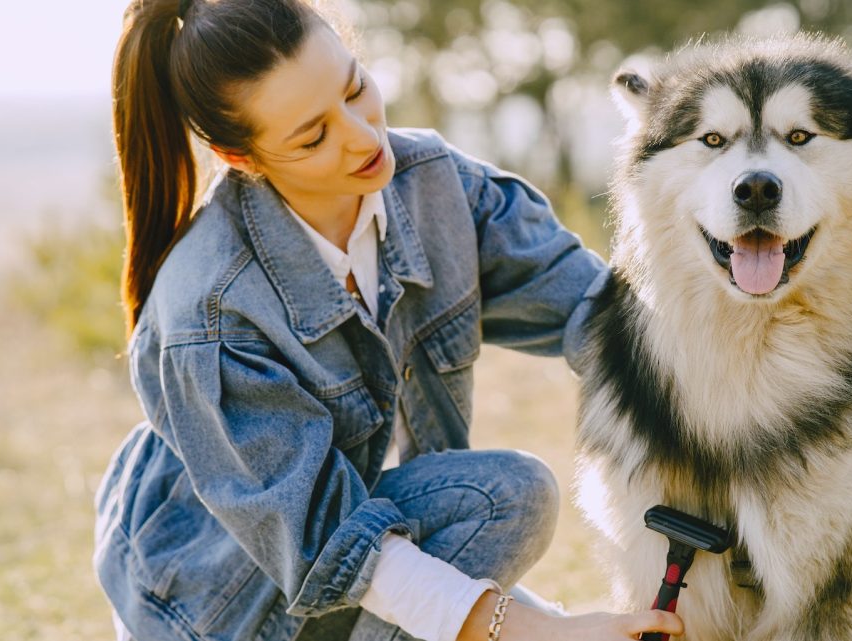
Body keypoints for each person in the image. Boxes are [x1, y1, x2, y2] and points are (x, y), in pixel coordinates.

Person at [93, 1, 685, 640]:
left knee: (502, 507)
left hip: (349, 558)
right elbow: (325, 543)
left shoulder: (434, 187)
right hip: (216, 610)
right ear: (241, 158)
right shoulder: (208, 311)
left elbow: (602, 315)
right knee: (508, 501)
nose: (363, 136)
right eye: (313, 136)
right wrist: (535, 630)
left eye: (356, 89)